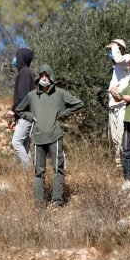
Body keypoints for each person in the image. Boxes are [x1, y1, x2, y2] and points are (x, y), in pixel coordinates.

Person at [15, 64, 84, 207]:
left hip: (55, 136)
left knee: (58, 168)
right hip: (39, 138)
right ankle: (39, 202)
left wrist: (62, 115)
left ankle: (57, 201)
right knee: (38, 171)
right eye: (41, 75)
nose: (44, 77)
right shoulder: (32, 96)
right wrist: (30, 116)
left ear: (51, 77)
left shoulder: (59, 93)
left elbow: (78, 104)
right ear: (38, 77)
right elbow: (19, 110)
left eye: (46, 75)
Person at [6, 48, 35, 168]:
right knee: (25, 147)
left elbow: (22, 96)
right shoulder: (26, 73)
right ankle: (29, 180)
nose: (15, 59)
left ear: (21, 58)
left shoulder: (24, 73)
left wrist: (13, 110)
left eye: (17, 56)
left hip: (25, 115)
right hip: (23, 116)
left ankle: (30, 172)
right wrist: (16, 120)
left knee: (16, 143)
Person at [106, 39, 130, 170]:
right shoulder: (116, 66)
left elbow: (118, 58)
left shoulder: (127, 58)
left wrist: (115, 46)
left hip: (122, 105)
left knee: (123, 137)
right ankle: (119, 166)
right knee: (115, 139)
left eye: (114, 49)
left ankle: (128, 165)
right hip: (113, 106)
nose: (111, 52)